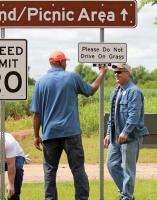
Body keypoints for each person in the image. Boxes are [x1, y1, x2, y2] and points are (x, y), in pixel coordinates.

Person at [30, 50, 107, 200]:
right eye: (65, 61)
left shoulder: (40, 82)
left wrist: (36, 136)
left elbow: (36, 114)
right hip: (71, 132)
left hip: (50, 134)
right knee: (78, 169)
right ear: (60, 62)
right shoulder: (72, 77)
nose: (66, 63)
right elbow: (91, 90)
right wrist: (102, 73)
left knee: (50, 171)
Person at [104, 63, 149, 200]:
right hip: (115, 136)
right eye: (115, 72)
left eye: (120, 72)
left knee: (128, 169)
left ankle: (126, 197)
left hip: (130, 136)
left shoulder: (134, 91)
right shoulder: (116, 90)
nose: (116, 75)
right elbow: (112, 114)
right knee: (111, 164)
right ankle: (126, 193)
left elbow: (134, 115)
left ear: (128, 73)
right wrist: (107, 132)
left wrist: (126, 132)